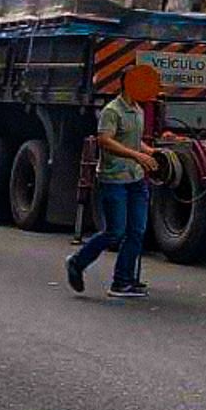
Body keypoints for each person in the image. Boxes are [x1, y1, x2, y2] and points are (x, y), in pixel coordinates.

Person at [66, 64, 161, 298]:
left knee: (137, 230)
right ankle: (77, 262)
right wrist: (136, 155)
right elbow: (105, 140)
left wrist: (149, 152)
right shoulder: (112, 110)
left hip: (136, 179)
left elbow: (132, 140)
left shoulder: (138, 110)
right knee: (115, 232)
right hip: (114, 179)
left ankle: (123, 281)